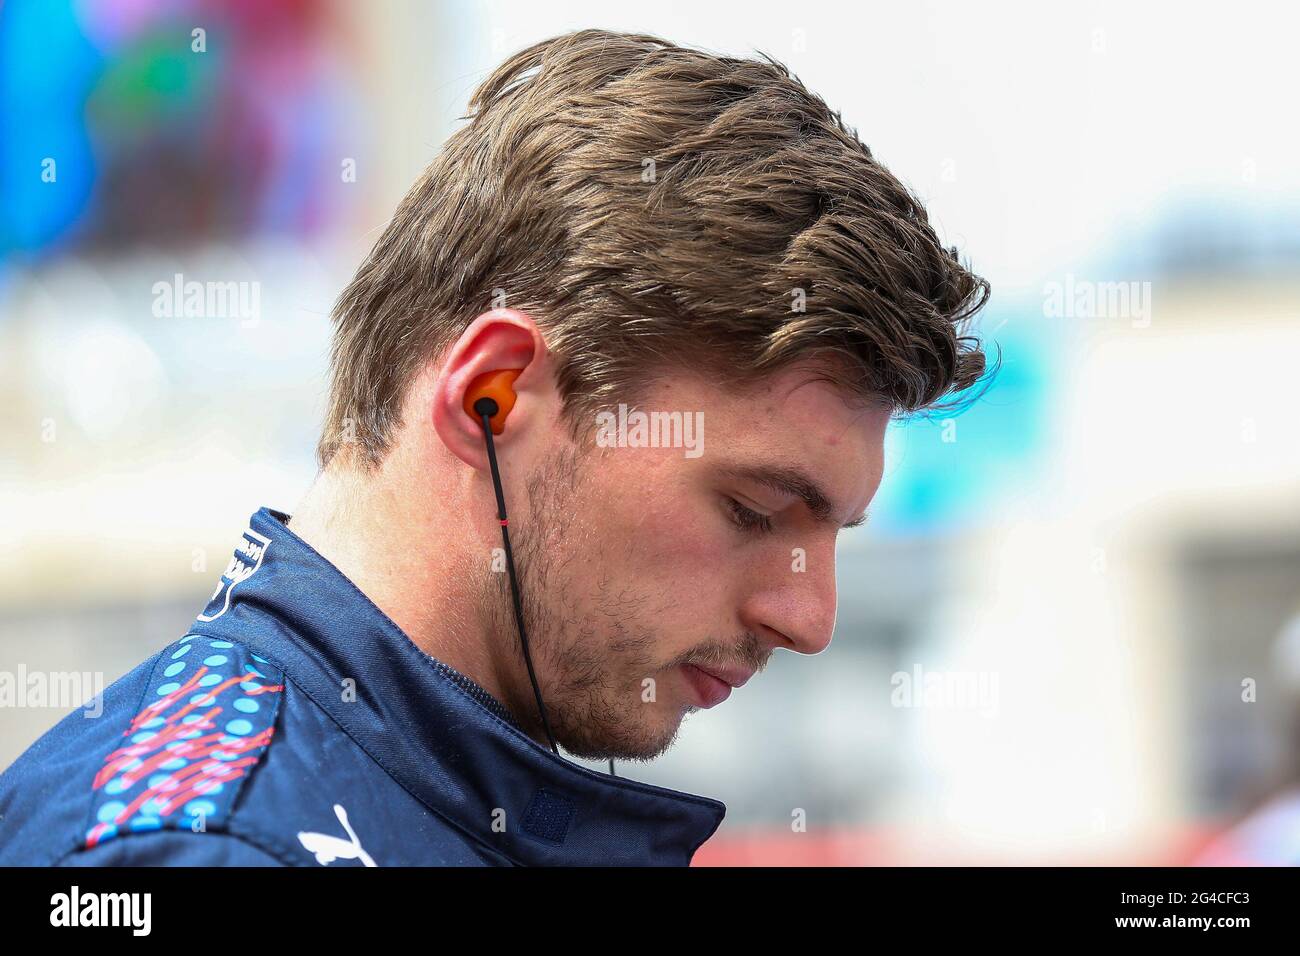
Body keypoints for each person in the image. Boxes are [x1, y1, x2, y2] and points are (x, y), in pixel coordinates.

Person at [0, 28, 988, 866]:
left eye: (834, 534)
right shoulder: (204, 849)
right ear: (491, 395)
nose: (809, 615)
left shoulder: (415, 794)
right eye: (755, 509)